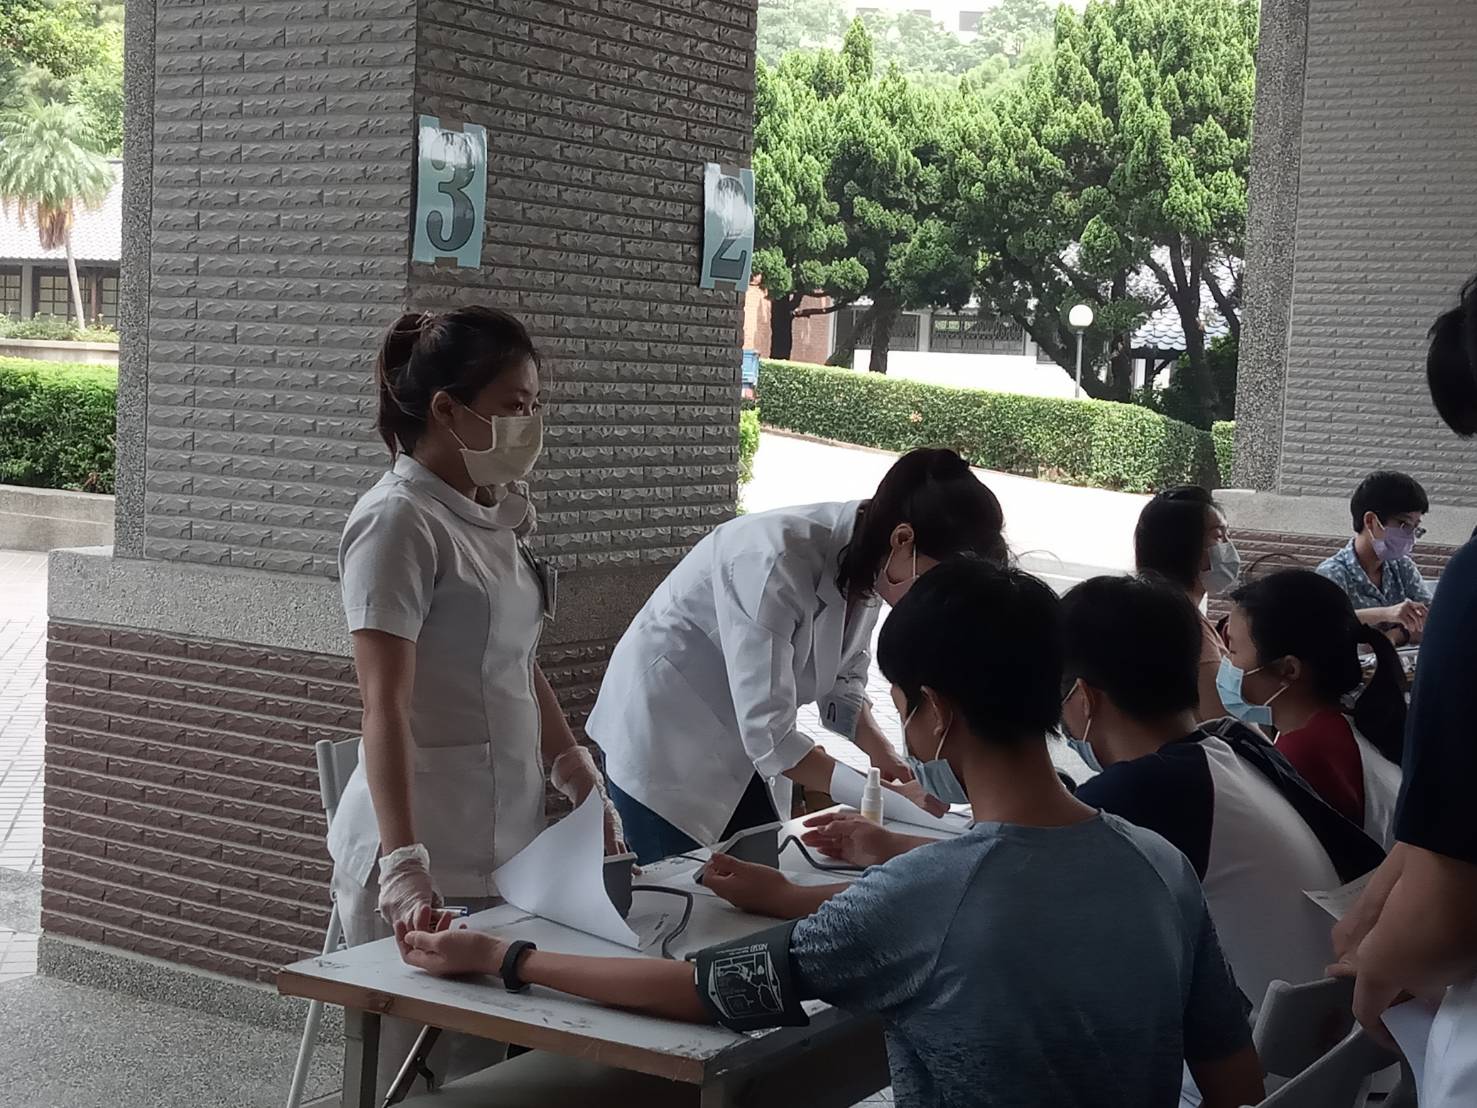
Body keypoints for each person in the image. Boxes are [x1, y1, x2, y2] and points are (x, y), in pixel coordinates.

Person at [399, 562, 1265, 1108]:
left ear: (936, 714)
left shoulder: (922, 897)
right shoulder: (1156, 864)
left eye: (902, 704)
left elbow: (701, 991)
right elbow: (1235, 1082)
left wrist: (505, 957)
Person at [327, 307, 624, 1095]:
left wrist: (574, 772)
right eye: (512, 406)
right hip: (421, 838)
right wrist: (404, 863)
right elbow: (382, 705)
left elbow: (516, 664)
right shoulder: (396, 523)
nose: (529, 424)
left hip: (502, 839)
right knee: (411, 1076)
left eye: (535, 405)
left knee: (486, 1070)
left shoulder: (489, 513)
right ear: (447, 410)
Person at [586, 448, 1007, 865]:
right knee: (682, 889)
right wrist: (883, 795)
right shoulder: (772, 560)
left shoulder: (871, 563)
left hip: (745, 743)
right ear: (903, 539)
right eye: (937, 583)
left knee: (757, 871)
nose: (934, 602)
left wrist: (884, 758)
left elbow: (843, 683)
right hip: (663, 737)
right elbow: (771, 740)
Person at [1331, 276, 1477, 1104]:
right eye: (1401, 526)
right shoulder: (1341, 576)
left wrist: (1380, 965)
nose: (1407, 538)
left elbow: (1450, 904)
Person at [1221, 569, 1406, 848]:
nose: (1226, 662)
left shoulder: (1305, 753)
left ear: (1289, 669)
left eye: (1233, 651)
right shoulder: (1340, 724)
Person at [1134, 486, 1241, 719]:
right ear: (1182, 546)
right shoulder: (1185, 625)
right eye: (1218, 536)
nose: (1228, 546)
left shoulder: (1151, 607)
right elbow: (1220, 718)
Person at [1316, 471, 1431, 643]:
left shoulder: (1402, 567)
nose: (1411, 537)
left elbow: (1432, 618)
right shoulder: (1332, 573)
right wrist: (1386, 614)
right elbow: (1325, 624)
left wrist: (1395, 636)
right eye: (1404, 524)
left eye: (1415, 528)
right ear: (1370, 521)